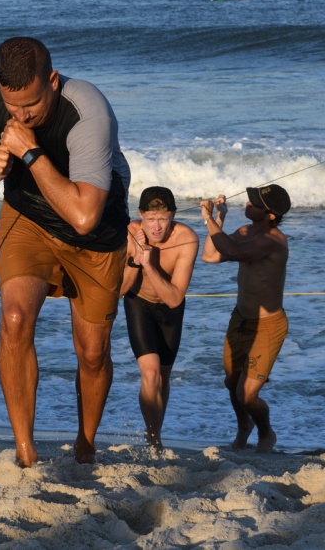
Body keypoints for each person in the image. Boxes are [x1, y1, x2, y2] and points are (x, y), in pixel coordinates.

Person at [0, 37, 130, 467]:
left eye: (31, 104)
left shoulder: (87, 110)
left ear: (51, 80)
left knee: (92, 353)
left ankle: (85, 445)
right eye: (12, 106)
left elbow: (84, 216)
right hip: (27, 219)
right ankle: (26, 454)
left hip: (96, 234)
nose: (21, 115)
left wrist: (29, 152)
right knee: (14, 318)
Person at [200, 184, 291, 454]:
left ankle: (266, 431)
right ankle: (244, 426)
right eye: (250, 199)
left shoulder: (273, 240)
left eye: (255, 203)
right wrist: (219, 217)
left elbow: (233, 252)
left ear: (271, 215)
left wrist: (206, 218)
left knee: (247, 394)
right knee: (232, 382)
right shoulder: (245, 232)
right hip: (240, 319)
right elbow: (210, 255)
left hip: (268, 326)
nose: (248, 203)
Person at [119, 186, 198, 451]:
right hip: (138, 303)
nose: (156, 227)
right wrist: (135, 258)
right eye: (151, 219)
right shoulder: (130, 232)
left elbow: (175, 298)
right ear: (141, 214)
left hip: (170, 310)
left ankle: (155, 431)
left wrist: (149, 264)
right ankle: (153, 439)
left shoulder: (187, 238)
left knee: (163, 377)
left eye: (163, 219)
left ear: (173, 215)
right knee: (150, 372)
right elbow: (119, 291)